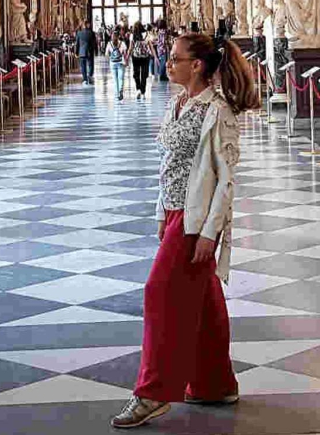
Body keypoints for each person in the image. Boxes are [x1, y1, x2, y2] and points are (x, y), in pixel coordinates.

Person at [111, 34, 260, 429]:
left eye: (175, 59)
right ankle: (215, 383)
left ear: (197, 66)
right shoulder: (179, 102)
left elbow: (225, 180)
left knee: (159, 292)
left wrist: (210, 233)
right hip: (177, 214)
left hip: (197, 221)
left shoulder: (217, 111)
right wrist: (162, 210)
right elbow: (169, 164)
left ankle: (153, 393)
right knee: (204, 297)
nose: (168, 63)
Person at [133, 26, 155, 96]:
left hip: (136, 56)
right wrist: (155, 56)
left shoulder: (133, 35)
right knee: (143, 74)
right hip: (145, 57)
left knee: (136, 73)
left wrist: (127, 57)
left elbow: (130, 47)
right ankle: (143, 91)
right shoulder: (147, 35)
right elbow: (151, 47)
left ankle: (138, 89)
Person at [76, 19, 99, 84]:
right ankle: (90, 76)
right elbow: (95, 43)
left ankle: (85, 79)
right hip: (90, 51)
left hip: (82, 52)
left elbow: (77, 44)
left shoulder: (79, 33)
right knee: (91, 64)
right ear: (87, 25)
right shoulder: (92, 33)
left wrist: (76, 52)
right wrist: (96, 51)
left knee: (83, 66)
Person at [108, 29, 129, 99]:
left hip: (112, 63)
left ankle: (117, 94)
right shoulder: (122, 43)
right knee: (121, 78)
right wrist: (126, 61)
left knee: (115, 79)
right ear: (118, 36)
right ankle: (120, 91)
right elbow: (125, 53)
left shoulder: (109, 44)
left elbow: (106, 54)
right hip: (121, 62)